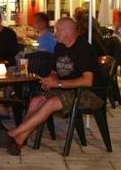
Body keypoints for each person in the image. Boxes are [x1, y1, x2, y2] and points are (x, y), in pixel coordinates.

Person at [6, 17, 98, 154]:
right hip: (64, 89)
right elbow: (55, 72)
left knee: (50, 103)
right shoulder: (59, 46)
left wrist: (58, 83)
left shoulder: (83, 48)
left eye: (58, 30)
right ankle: (19, 140)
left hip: (86, 93)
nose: (55, 33)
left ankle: (13, 133)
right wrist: (50, 80)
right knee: (35, 101)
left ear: (67, 31)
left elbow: (87, 81)